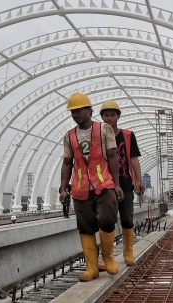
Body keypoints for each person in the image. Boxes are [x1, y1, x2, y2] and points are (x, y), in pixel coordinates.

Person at [59, 92, 123, 282]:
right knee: (85, 227)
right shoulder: (69, 136)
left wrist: (117, 185)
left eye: (79, 110)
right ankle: (91, 268)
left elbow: (112, 157)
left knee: (107, 219)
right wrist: (63, 189)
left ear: (89, 110)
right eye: (72, 111)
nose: (75, 114)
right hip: (80, 188)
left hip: (104, 183)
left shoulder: (104, 129)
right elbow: (67, 163)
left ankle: (108, 257)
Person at [99, 100, 146, 269]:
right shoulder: (97, 136)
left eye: (112, 115)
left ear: (118, 117)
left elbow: (133, 159)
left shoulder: (127, 135)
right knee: (107, 221)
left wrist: (138, 180)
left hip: (125, 184)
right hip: (105, 185)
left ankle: (128, 253)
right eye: (106, 115)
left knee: (127, 218)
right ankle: (107, 258)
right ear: (102, 118)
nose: (109, 118)